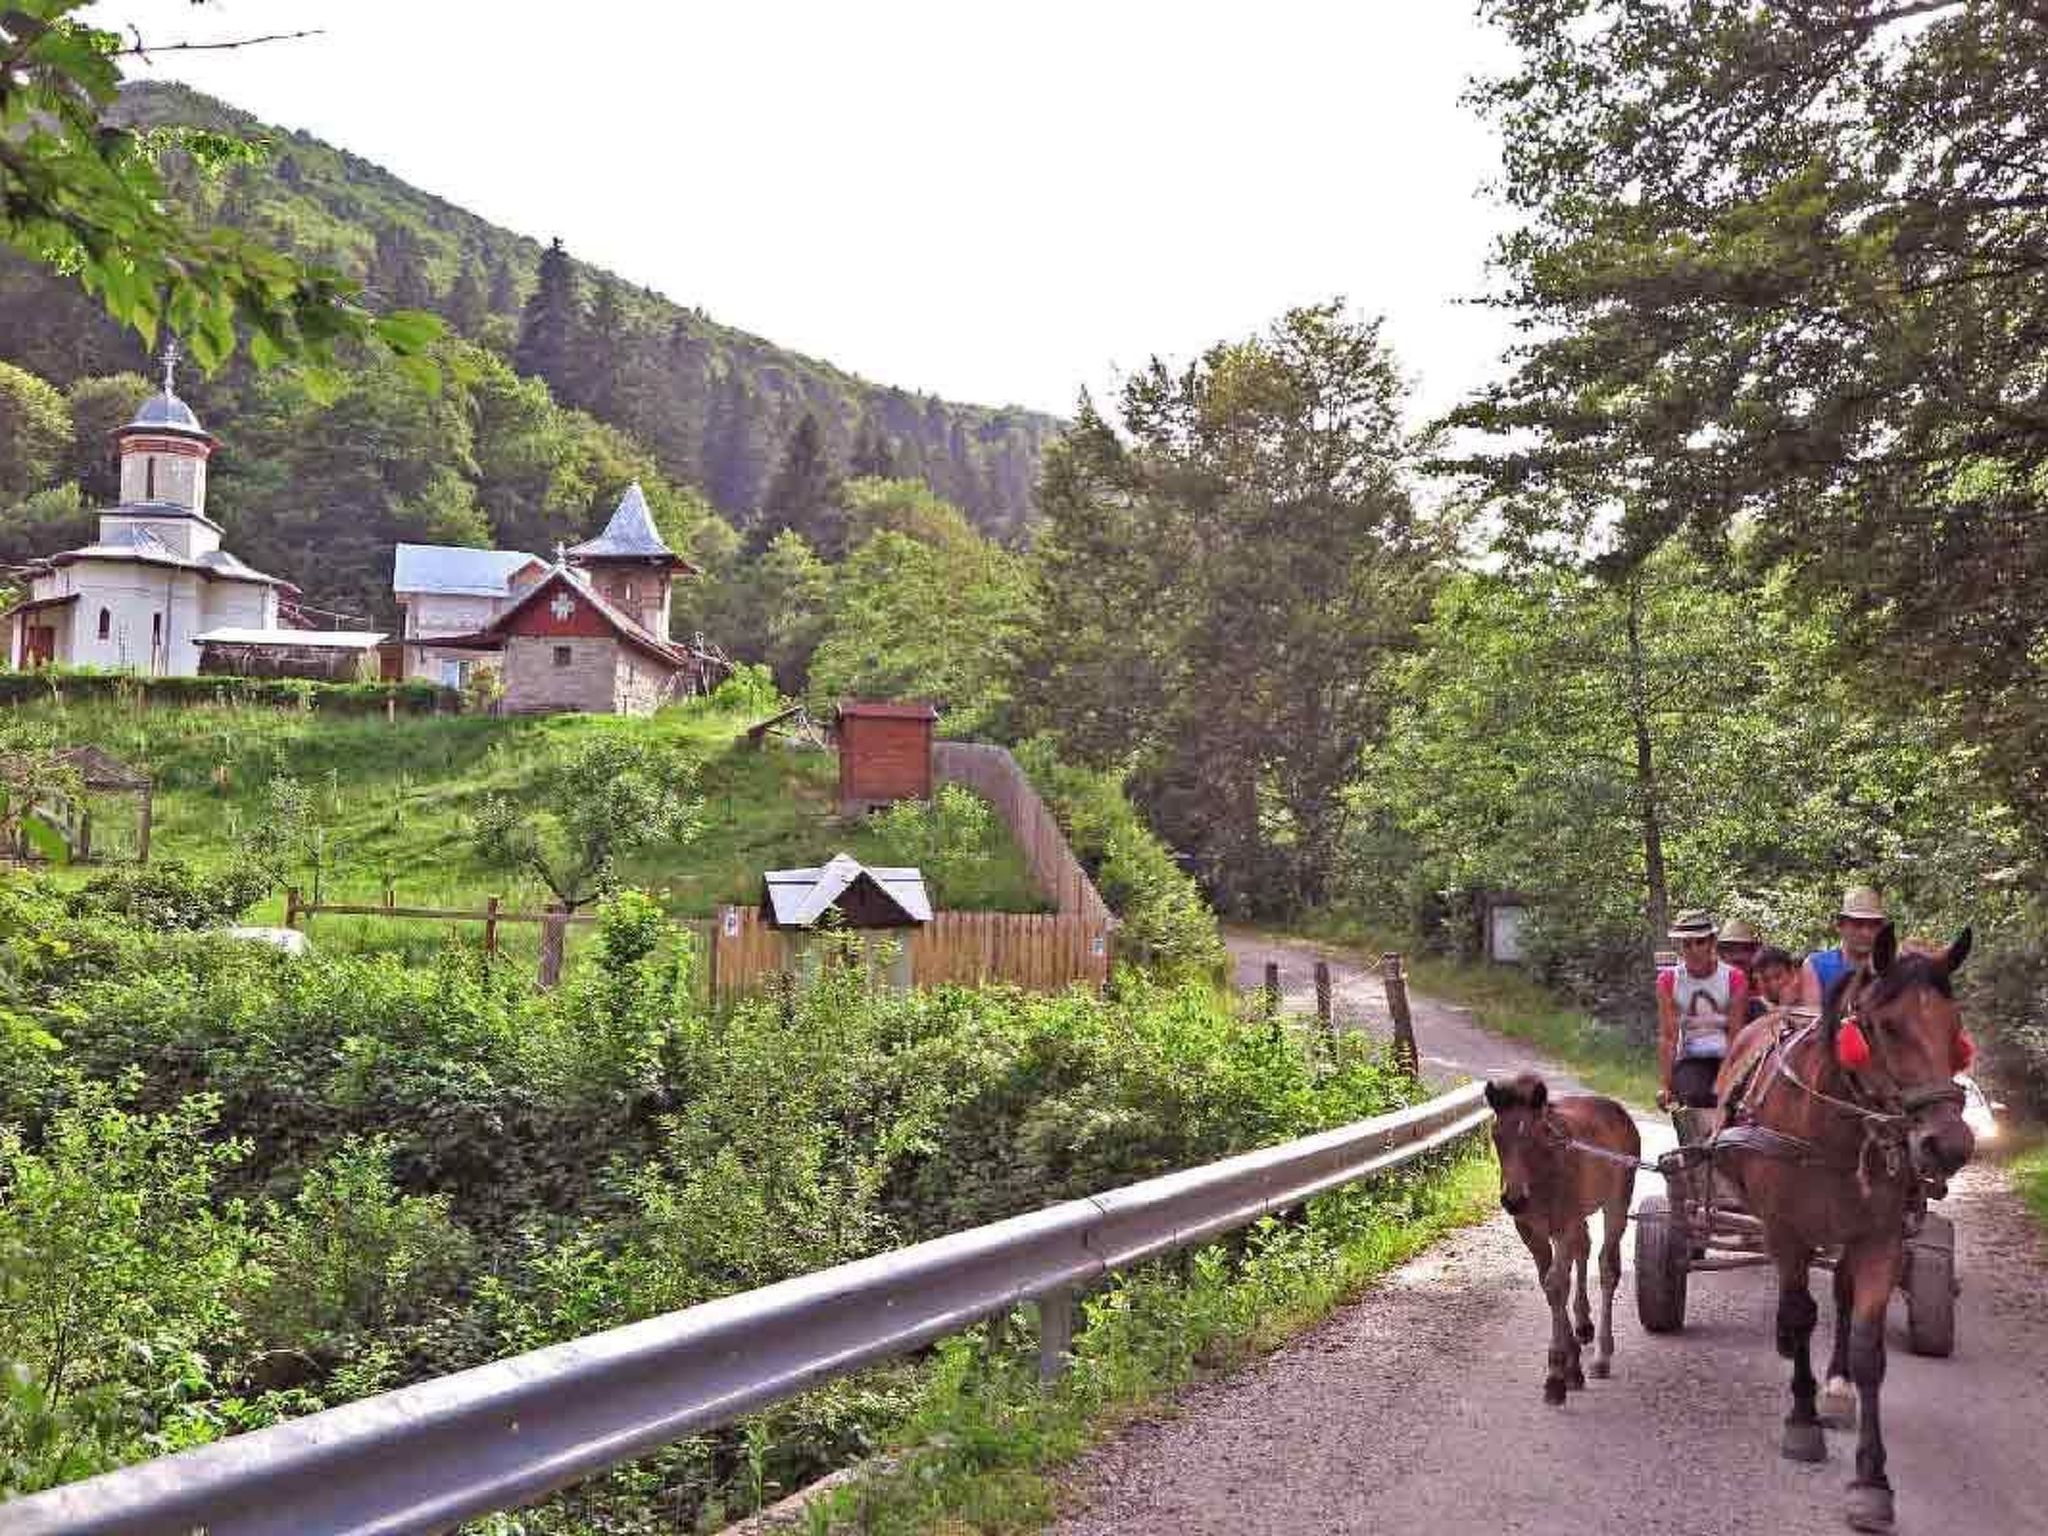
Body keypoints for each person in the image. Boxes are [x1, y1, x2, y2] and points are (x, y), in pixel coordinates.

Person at [1657, 909, 1748, 1110]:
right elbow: (1668, 1036)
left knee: (1737, 1100)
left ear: (1712, 943)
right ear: (1680, 947)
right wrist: (1665, 1084)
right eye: (1687, 944)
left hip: (1730, 1055)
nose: (1694, 950)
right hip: (1692, 1057)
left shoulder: (1734, 978)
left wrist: (1725, 1076)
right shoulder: (1668, 980)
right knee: (1695, 1096)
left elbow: (1736, 1034)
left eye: (1700, 942)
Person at [1797, 886, 1888, 1012]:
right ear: (1840, 926)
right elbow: (1813, 1022)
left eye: (1873, 926)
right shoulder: (1816, 965)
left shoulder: (1892, 968)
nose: (1866, 933)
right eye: (1858, 924)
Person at [1717, 917, 1764, 1018]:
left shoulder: (1765, 985)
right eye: (1731, 950)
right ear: (1721, 954)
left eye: (1745, 949)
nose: (1738, 956)